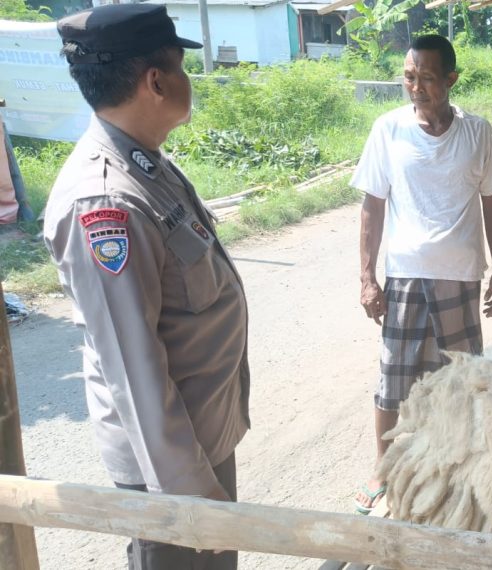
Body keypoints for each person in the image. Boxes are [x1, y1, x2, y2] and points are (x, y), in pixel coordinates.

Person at [44, 5, 249, 568]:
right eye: (182, 67)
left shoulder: (145, 167)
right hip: (169, 475)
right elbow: (133, 371)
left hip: (198, 447)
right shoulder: (105, 201)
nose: (189, 81)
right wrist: (190, 496)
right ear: (156, 81)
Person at [352, 34, 492, 515]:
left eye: (426, 78)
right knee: (394, 379)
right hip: (404, 276)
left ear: (451, 80)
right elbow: (372, 206)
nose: (415, 86)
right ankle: (383, 473)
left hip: (460, 275)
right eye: (409, 76)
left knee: (462, 379)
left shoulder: (477, 132)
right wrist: (367, 277)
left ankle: (460, 469)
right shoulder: (388, 130)